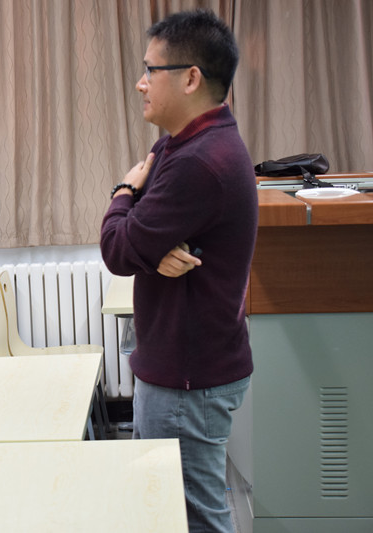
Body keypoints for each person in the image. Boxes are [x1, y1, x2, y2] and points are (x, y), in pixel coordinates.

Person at [100, 10, 257, 533]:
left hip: (187, 381)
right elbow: (139, 239)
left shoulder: (199, 161)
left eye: (151, 70)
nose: (140, 82)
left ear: (191, 78)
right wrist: (150, 245)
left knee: (193, 516)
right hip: (187, 368)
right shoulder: (179, 142)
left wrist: (124, 191)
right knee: (169, 508)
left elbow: (117, 248)